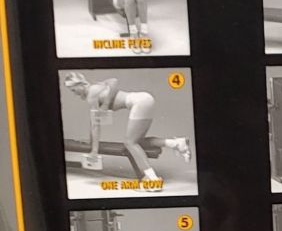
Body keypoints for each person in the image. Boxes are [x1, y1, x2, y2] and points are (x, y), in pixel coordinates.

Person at [63, 71, 191, 188]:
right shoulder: (96, 86)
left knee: (129, 143)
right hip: (145, 99)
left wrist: (94, 150)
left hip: (139, 103)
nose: (74, 93)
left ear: (80, 84)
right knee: (137, 142)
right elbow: (94, 121)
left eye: (73, 89)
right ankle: (176, 143)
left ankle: (153, 180)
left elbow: (96, 124)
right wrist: (91, 141)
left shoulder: (91, 94)